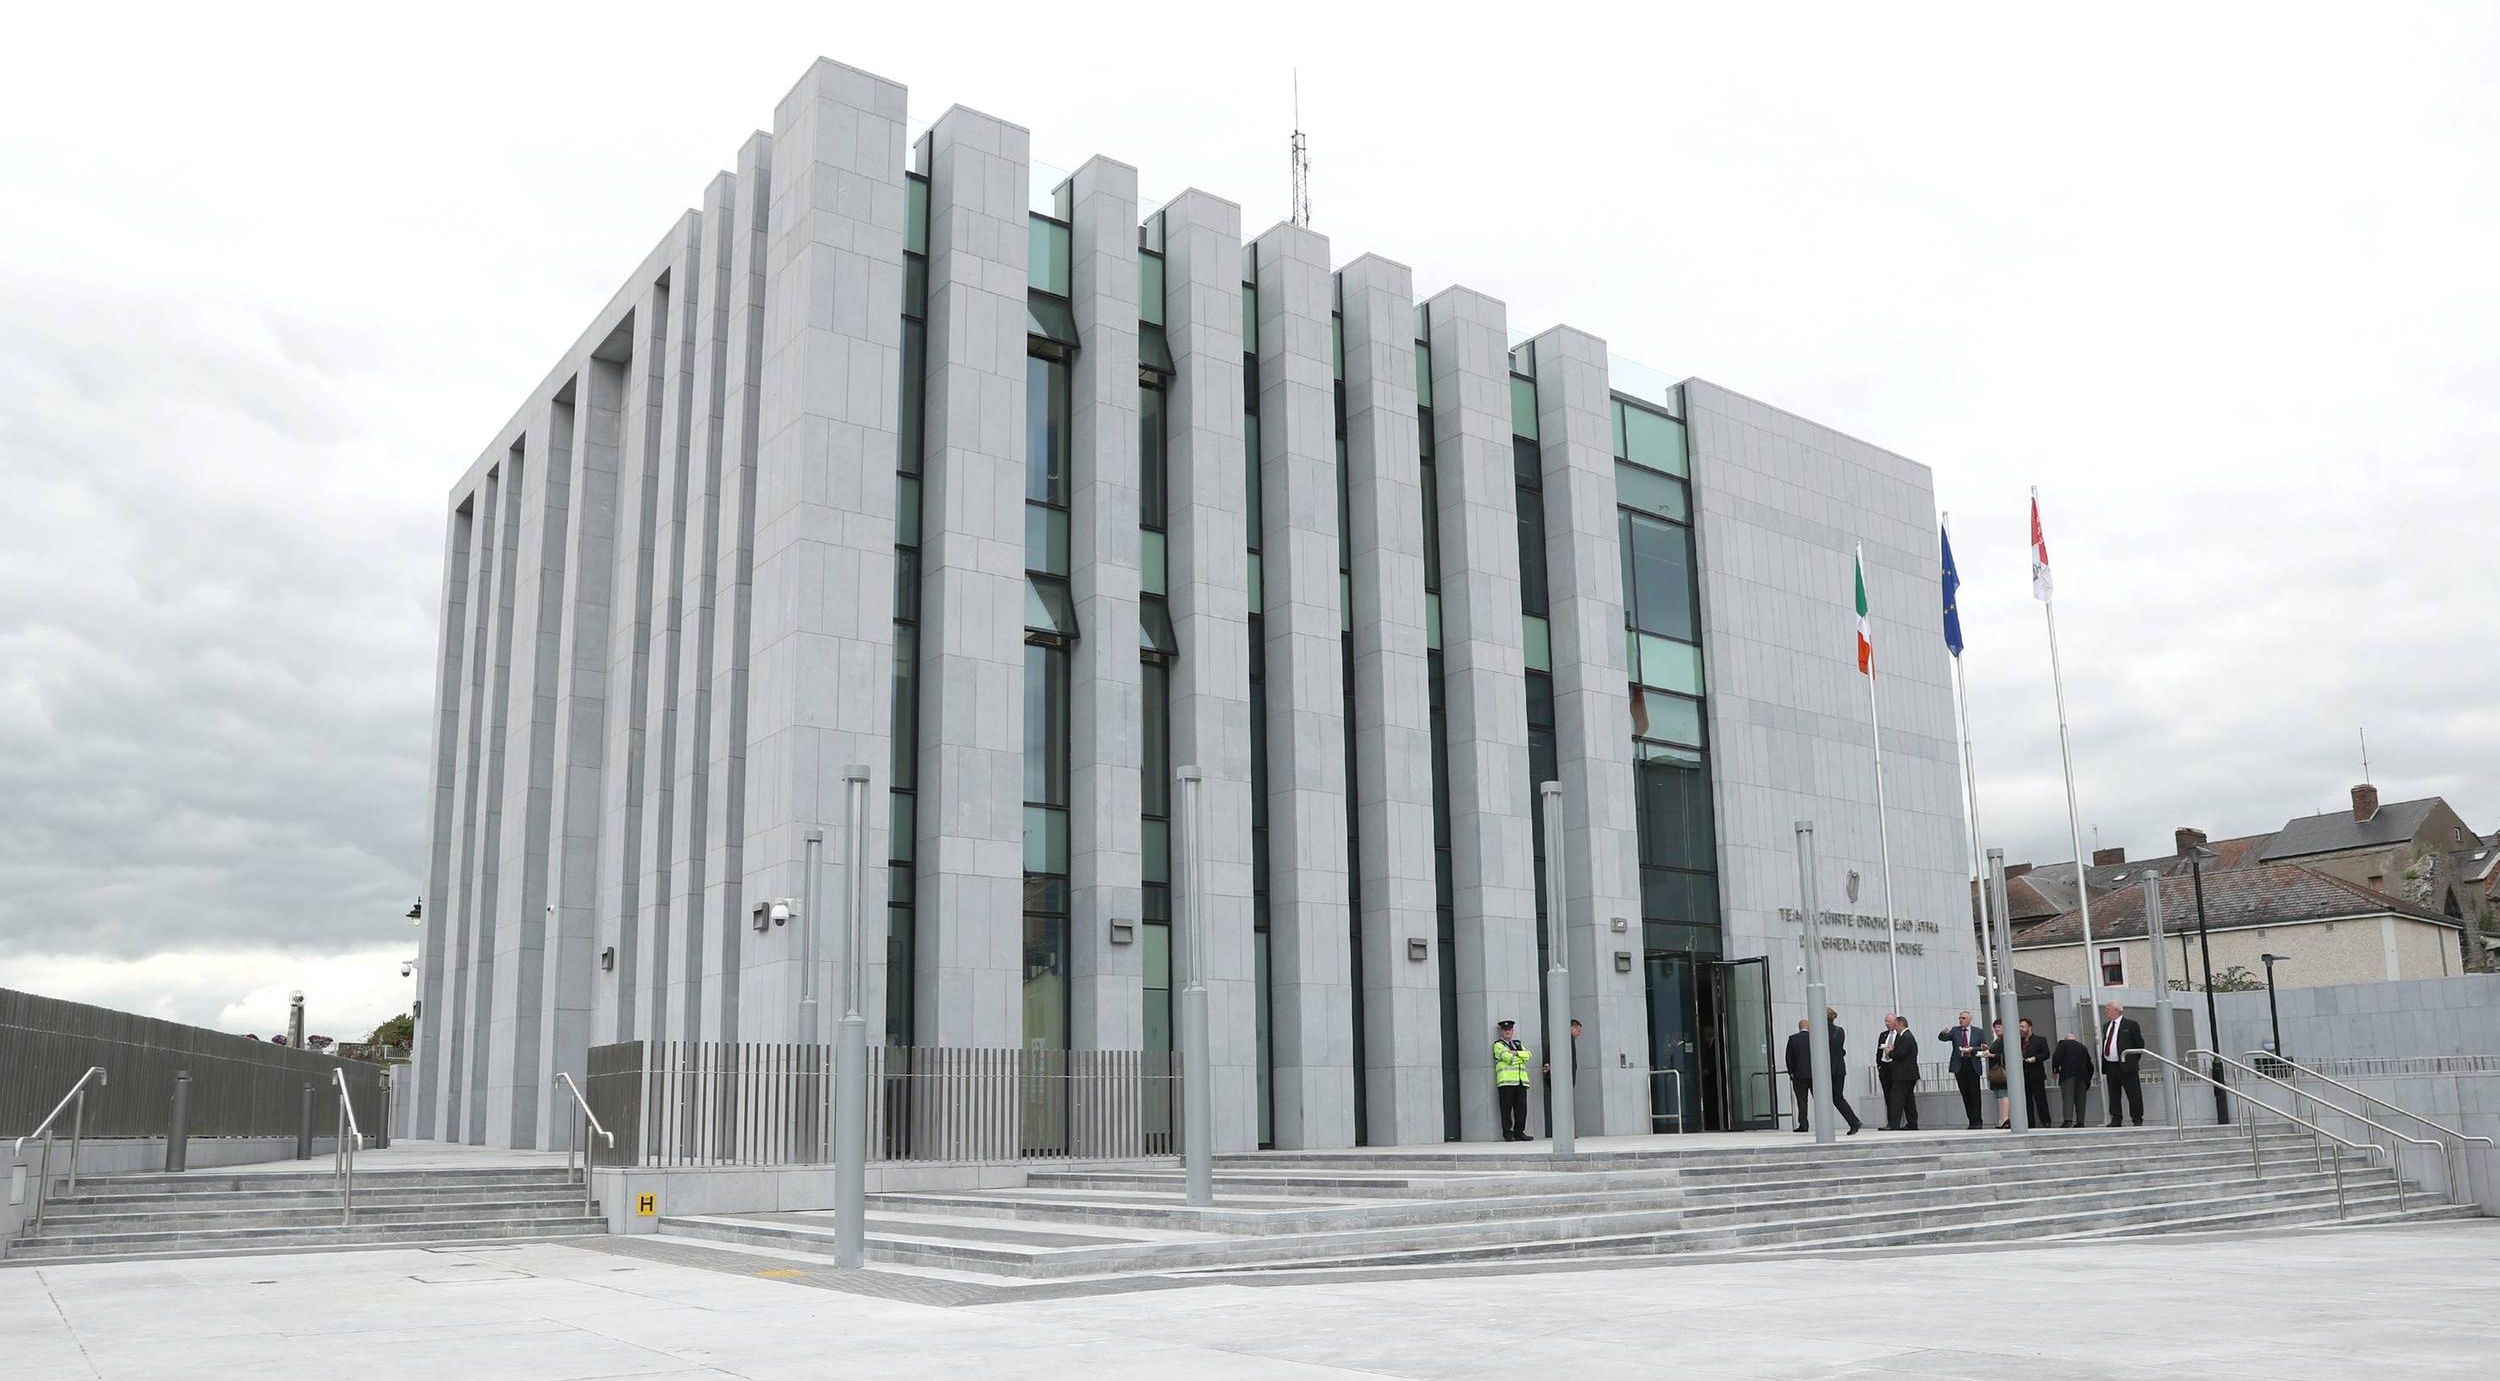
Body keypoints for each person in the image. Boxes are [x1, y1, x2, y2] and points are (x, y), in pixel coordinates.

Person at [1785, 1012, 1863, 1135]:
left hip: (1826, 1070)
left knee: (1826, 1098)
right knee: (1837, 1097)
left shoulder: (1819, 1033)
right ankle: (1852, 1121)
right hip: (1839, 1068)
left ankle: (1848, 1122)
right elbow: (1841, 1051)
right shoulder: (1840, 1030)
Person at [1936, 1010, 1988, 1130]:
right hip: (1960, 1065)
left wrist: (1972, 1049)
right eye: (1960, 1018)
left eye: (1963, 1018)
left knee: (1975, 1094)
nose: (1961, 1020)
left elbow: (1983, 1046)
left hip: (1972, 1063)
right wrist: (1943, 1032)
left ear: (1970, 1019)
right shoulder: (1955, 1030)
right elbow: (1943, 1038)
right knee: (1965, 1094)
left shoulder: (1978, 1031)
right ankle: (1971, 1120)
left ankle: (1977, 1121)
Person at [2099, 1002, 2147, 1127]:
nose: (2106, 1011)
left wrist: (2132, 1059)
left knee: (2133, 1093)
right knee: (2114, 1094)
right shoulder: (2106, 1026)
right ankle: (2116, 1118)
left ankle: (2137, 1119)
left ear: (2116, 1010)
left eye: (2108, 1009)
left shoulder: (2131, 1025)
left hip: (2126, 1065)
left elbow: (2139, 1044)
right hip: (2111, 1065)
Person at [1875, 1014, 1920, 1130]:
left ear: (1900, 1024)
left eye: (1895, 1025)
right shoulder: (1907, 1036)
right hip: (1908, 1074)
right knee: (1908, 1099)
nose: (1894, 1028)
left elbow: (1900, 1054)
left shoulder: (1905, 1037)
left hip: (1903, 1074)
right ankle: (1912, 1123)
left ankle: (1894, 1124)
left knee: (1896, 1098)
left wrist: (1889, 1052)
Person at [1493, 1019, 1533, 1141]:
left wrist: (1515, 1053)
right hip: (1506, 1082)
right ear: (1501, 1031)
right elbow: (1508, 1058)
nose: (1507, 1032)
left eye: (1509, 1030)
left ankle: (1519, 1132)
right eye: (1505, 1030)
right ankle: (1508, 1134)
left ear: (1512, 1031)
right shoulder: (1498, 1045)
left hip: (1521, 1082)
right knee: (1506, 1109)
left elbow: (1529, 1055)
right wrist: (1520, 1056)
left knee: (1521, 1109)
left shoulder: (1517, 1044)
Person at [2051, 1028, 2095, 1128]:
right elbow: (2090, 1065)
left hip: (2068, 1073)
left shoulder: (2063, 1044)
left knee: (2068, 1097)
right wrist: (2088, 1078)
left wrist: (2055, 1070)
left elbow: (2056, 1056)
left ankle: (2068, 1120)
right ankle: (2080, 1122)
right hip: (2082, 1076)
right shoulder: (2082, 1047)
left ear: (2066, 1039)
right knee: (2081, 1099)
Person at [2016, 1018, 2053, 1128]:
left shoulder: (2040, 1040)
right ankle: (2029, 1124)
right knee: (2026, 1102)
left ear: (2029, 1027)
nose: (2021, 1029)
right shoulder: (2018, 1041)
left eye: (2023, 1026)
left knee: (2040, 1100)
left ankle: (2046, 1121)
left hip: (2036, 1074)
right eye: (2019, 1027)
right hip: (2023, 1075)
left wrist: (2035, 1058)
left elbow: (2046, 1054)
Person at [1985, 1017, 2014, 1128]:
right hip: (1999, 1070)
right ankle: (2003, 1119)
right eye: (1995, 1027)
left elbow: (2006, 1054)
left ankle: (2005, 1119)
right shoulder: (1999, 1040)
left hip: (2002, 1070)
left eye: (1999, 1026)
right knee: (2002, 1095)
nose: (1997, 1029)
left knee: (2004, 1094)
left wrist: (1991, 1055)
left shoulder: (2005, 1039)